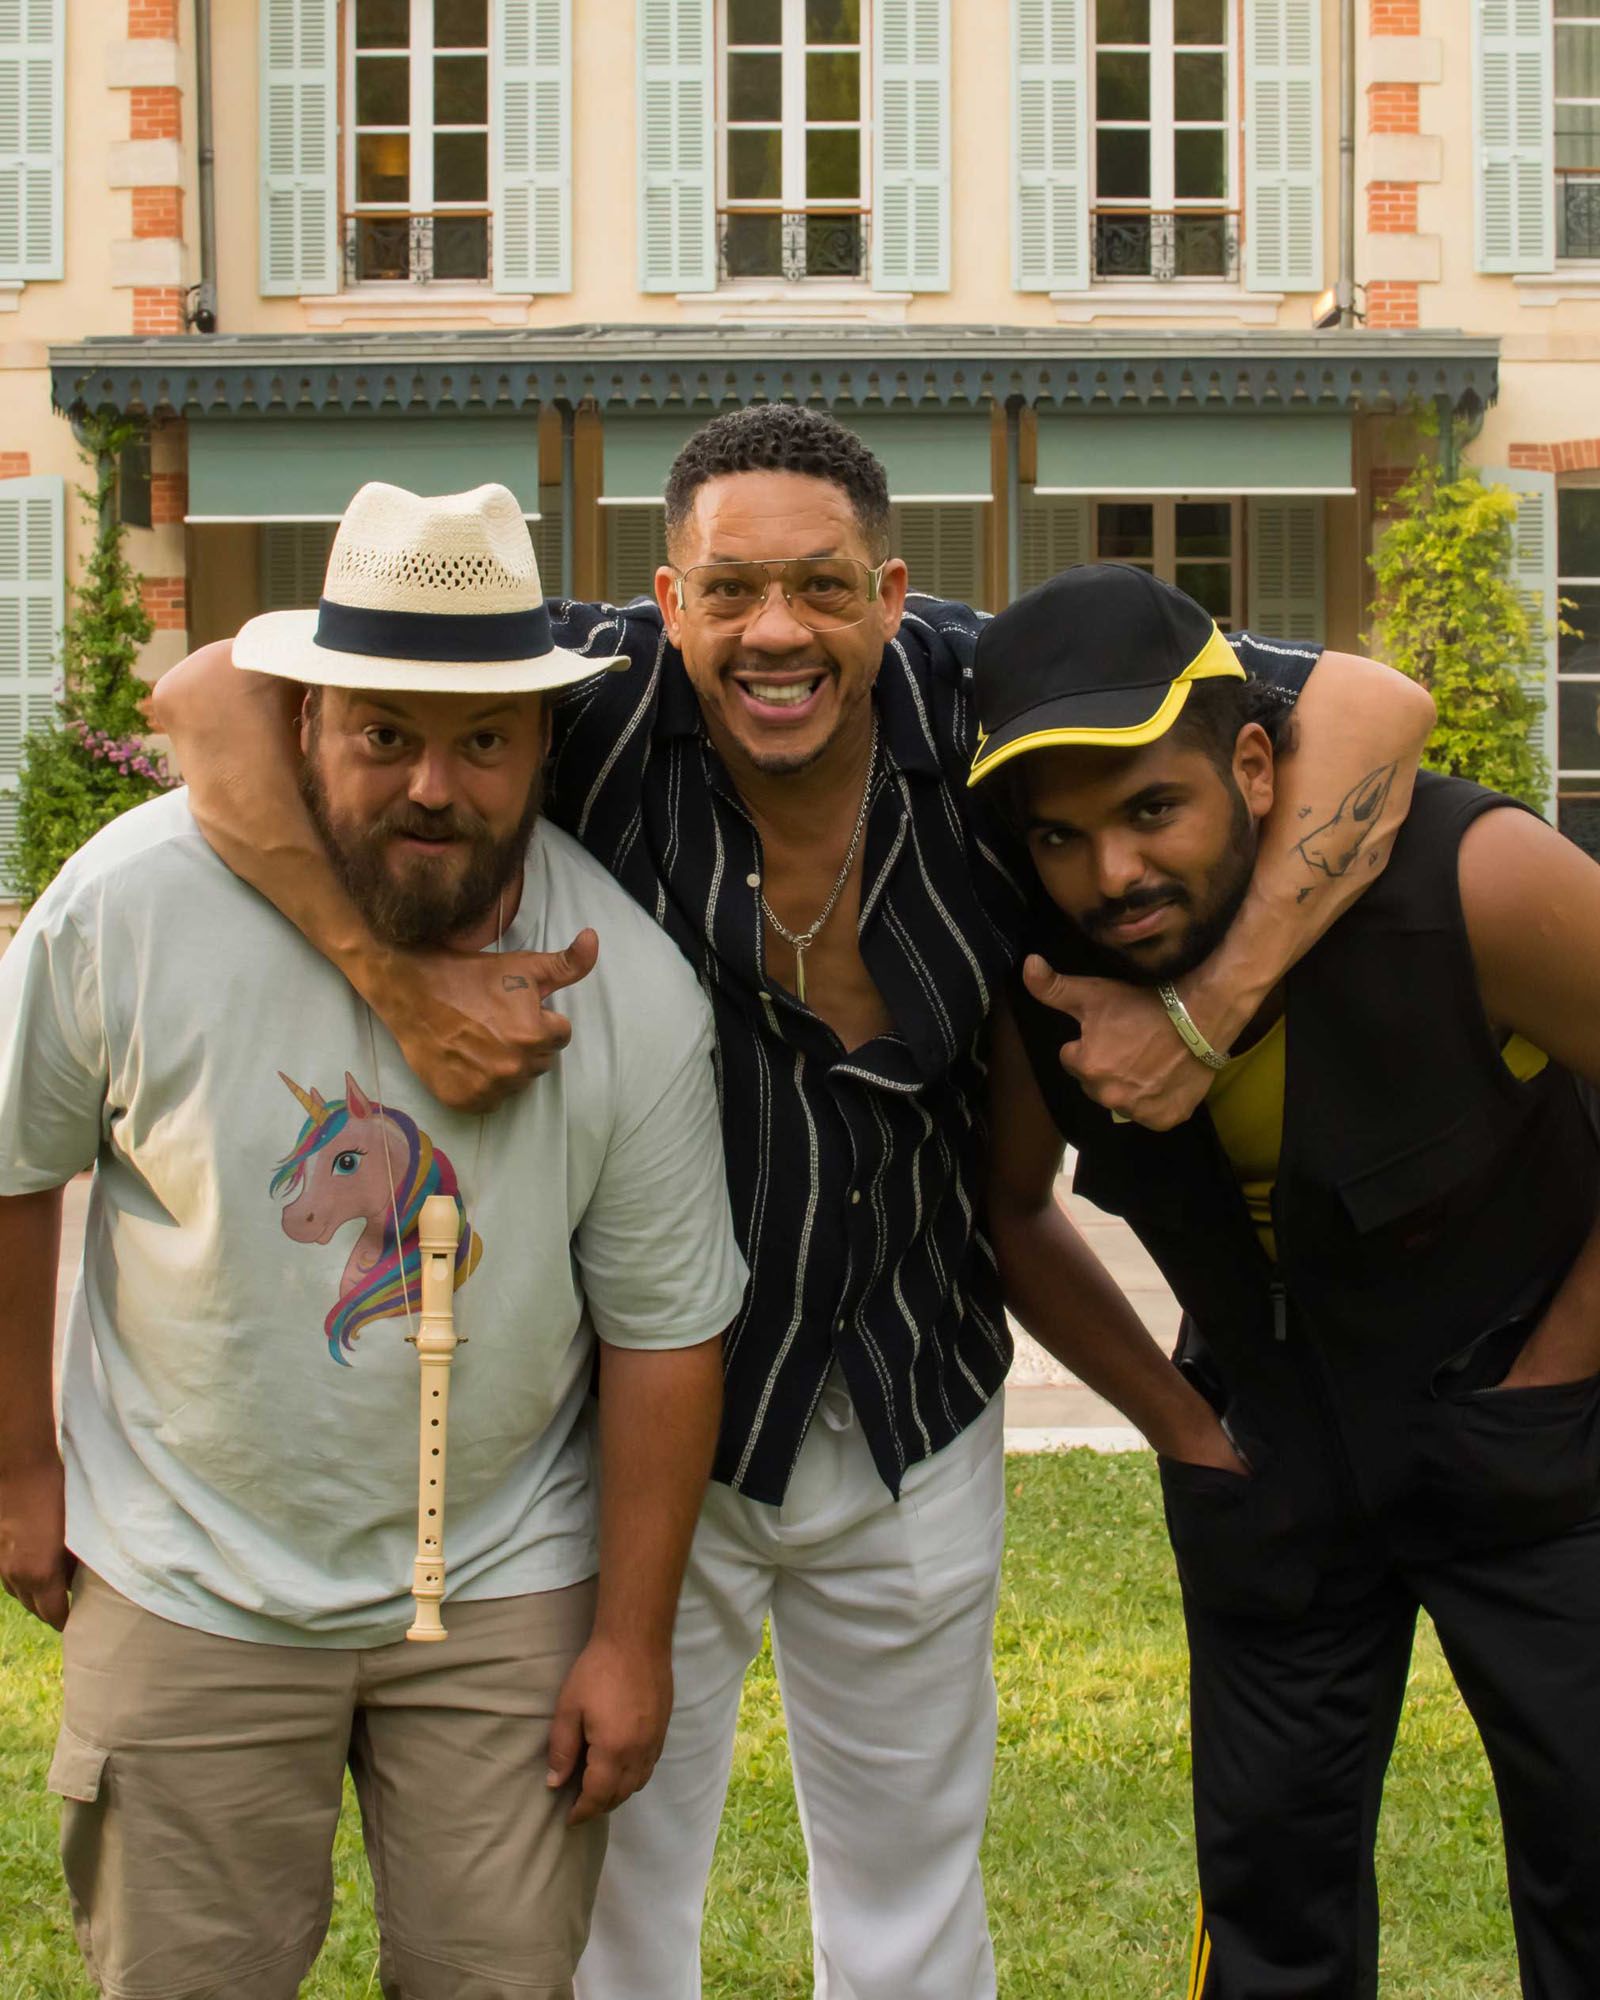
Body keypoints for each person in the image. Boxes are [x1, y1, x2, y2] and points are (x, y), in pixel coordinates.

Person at [150, 407, 1435, 1999]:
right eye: (733, 590)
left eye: (824, 587)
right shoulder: (592, 697)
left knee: (913, 1904)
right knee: (614, 1893)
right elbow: (205, 694)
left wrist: (1210, 1012)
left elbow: (1379, 704)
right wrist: (397, 988)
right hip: (639, 1425)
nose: (777, 632)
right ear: (670, 601)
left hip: (912, 1387)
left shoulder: (984, 697)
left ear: (891, 595)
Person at [0, 482, 748, 2000]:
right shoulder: (129, 907)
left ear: (544, 746)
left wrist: (630, 1639)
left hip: (504, 1580)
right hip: (184, 1570)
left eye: (484, 742)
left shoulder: (631, 987)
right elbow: (14, 1173)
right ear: (305, 724)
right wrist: (18, 1464)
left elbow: (666, 1328)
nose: (432, 787)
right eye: (384, 733)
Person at [978, 562, 1600, 2000]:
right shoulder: (1039, 975)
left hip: (1544, 1444)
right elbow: (1007, 1208)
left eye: (1154, 810)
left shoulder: (1472, 878)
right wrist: (1179, 1425)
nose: (1113, 875)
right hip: (1267, 1468)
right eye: (1062, 837)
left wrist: (1562, 1368)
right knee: (1270, 1906)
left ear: (1255, 767)